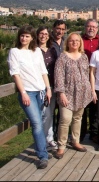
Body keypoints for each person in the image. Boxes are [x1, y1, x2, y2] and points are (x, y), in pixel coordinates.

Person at [8, 25, 52, 169]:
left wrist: (48, 88)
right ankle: (42, 156)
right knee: (37, 123)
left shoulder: (37, 51)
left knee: (40, 121)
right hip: (28, 93)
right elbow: (16, 74)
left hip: (40, 91)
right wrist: (23, 93)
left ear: (32, 38)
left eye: (27, 36)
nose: (24, 38)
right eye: (22, 35)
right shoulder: (14, 52)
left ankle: (42, 149)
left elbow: (43, 71)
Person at [53, 33, 94, 159]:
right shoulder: (62, 57)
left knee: (78, 118)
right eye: (72, 41)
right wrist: (61, 93)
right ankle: (61, 146)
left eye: (77, 40)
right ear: (68, 43)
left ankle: (75, 141)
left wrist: (89, 90)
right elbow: (58, 76)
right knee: (65, 120)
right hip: (67, 93)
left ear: (80, 42)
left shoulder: (84, 57)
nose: (75, 43)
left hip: (82, 93)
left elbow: (87, 74)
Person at [37, 26, 58, 151]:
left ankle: (49, 139)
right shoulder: (33, 50)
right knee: (45, 114)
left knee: (50, 114)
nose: (44, 36)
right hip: (40, 86)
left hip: (52, 85)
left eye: (46, 34)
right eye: (41, 33)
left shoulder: (52, 50)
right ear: (37, 35)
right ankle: (44, 140)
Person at [80, 19, 99, 143]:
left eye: (93, 27)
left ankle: (94, 133)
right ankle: (81, 134)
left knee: (95, 108)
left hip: (97, 79)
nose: (91, 29)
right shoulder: (79, 40)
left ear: (97, 29)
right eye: (88, 26)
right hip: (82, 78)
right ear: (85, 28)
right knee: (82, 108)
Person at [50, 20, 67, 140]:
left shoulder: (66, 42)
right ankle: (50, 138)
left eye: (62, 29)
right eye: (58, 28)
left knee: (62, 112)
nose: (60, 31)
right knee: (50, 112)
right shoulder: (48, 42)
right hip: (50, 81)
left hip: (64, 83)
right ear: (53, 28)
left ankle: (59, 137)